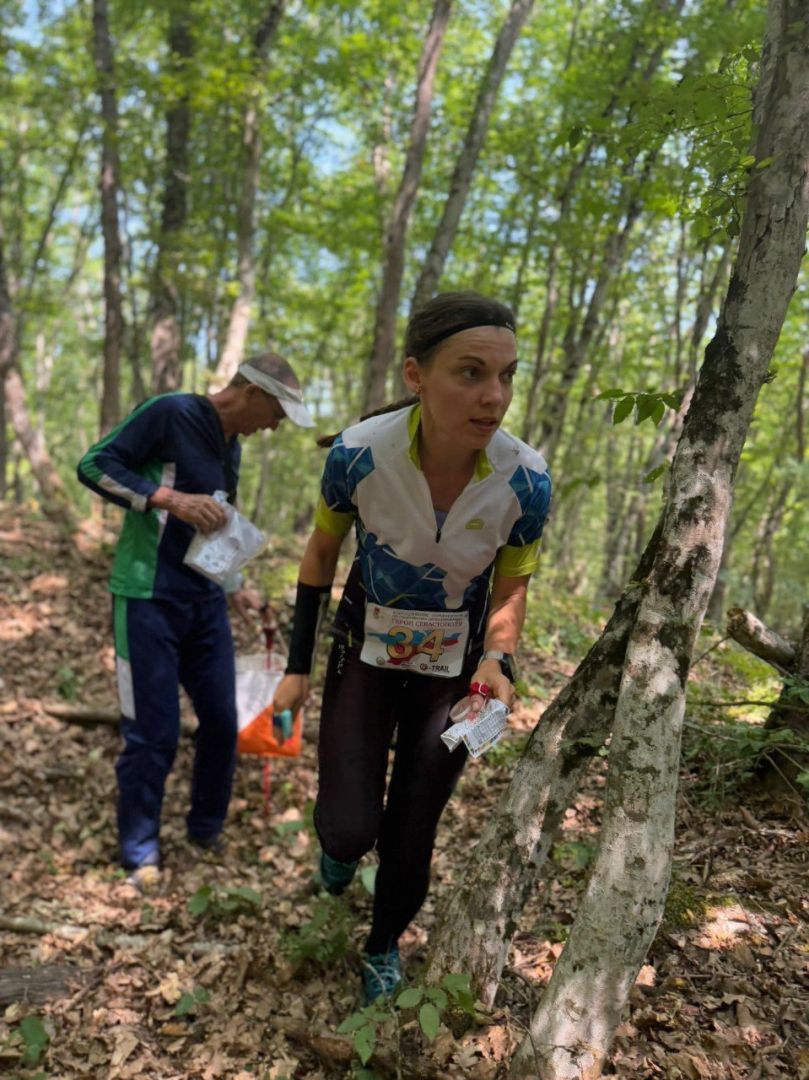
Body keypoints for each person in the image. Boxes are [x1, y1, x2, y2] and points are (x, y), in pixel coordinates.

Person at [272, 292, 552, 1000]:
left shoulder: (526, 479)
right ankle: (335, 857)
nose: (494, 396)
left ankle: (381, 947)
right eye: (469, 373)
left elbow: (512, 587)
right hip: (364, 650)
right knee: (347, 826)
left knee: (413, 824)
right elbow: (321, 552)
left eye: (507, 375)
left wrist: (498, 660)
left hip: (454, 666)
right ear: (414, 375)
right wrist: (296, 667)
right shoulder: (357, 455)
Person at [77, 352, 314, 890]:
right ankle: (139, 854)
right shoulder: (171, 412)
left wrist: (236, 587)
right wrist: (165, 498)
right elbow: (93, 465)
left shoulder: (232, 448)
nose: (274, 427)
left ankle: (205, 829)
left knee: (221, 723)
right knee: (153, 734)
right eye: (275, 413)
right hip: (147, 596)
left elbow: (212, 529)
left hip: (204, 604)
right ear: (251, 393)